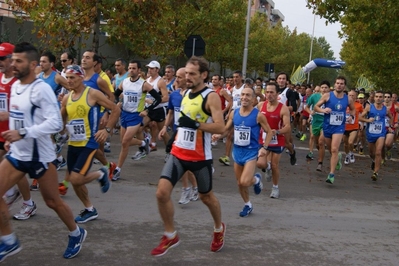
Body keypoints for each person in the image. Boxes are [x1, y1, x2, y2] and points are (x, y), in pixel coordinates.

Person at [0, 42, 86, 262]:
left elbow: (56, 123)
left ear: (32, 64)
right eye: (13, 60)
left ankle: (76, 232)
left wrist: (24, 133)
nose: (13, 64)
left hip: (40, 156)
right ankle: (8, 240)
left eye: (19, 61)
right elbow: (18, 116)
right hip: (18, 154)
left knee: (52, 202)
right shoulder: (17, 87)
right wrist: (12, 137)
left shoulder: (42, 89)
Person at [151, 56, 225, 256]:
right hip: (178, 153)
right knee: (161, 193)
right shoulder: (185, 94)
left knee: (206, 197)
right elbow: (183, 121)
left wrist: (197, 125)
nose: (188, 77)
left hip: (200, 157)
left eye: (192, 74)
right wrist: (174, 137)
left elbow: (220, 126)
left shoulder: (211, 96)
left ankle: (218, 228)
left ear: (203, 75)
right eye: (186, 73)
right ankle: (170, 234)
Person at [60, 64, 120, 223]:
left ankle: (101, 174)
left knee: (76, 179)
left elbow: (115, 109)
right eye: (67, 78)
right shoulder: (67, 98)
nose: (69, 81)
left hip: (89, 143)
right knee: (76, 183)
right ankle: (89, 209)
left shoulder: (92, 94)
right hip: (73, 144)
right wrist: (59, 132)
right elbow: (62, 119)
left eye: (72, 78)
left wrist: (106, 130)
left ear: (81, 77)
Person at [213, 86, 273, 216]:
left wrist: (265, 147)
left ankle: (256, 180)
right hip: (237, 152)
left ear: (253, 99)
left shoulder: (258, 115)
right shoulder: (234, 113)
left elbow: (269, 132)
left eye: (248, 95)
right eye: (243, 95)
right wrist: (218, 135)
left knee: (245, 181)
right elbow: (226, 129)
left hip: (251, 152)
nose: (244, 97)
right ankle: (248, 204)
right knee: (240, 183)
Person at [111, 60, 161, 181]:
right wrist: (118, 102)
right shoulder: (125, 82)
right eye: (129, 68)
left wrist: (147, 111)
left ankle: (118, 169)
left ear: (139, 70)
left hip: (136, 115)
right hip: (125, 114)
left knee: (125, 142)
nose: (131, 70)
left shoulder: (143, 84)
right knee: (124, 141)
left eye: (134, 68)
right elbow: (115, 94)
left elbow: (158, 98)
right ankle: (143, 143)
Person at [158, 67, 199, 204]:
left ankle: (194, 187)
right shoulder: (174, 94)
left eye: (180, 77)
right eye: (176, 76)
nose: (177, 79)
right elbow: (170, 112)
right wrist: (164, 127)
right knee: (181, 162)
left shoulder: (193, 95)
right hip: (177, 132)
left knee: (187, 164)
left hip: (191, 134)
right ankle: (187, 188)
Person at [314, 76, 355, 184]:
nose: (339, 85)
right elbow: (316, 107)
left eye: (341, 83)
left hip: (339, 127)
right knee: (330, 148)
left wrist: (351, 117)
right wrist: (323, 110)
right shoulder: (327, 96)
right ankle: (337, 158)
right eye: (337, 83)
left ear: (344, 86)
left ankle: (331, 174)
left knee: (334, 149)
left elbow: (353, 109)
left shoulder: (348, 98)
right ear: (334, 84)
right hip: (327, 126)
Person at [257, 82, 292, 199]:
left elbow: (287, 127)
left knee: (274, 165)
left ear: (277, 94)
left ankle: (275, 187)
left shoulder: (283, 108)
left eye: (272, 92)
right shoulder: (260, 105)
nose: (269, 94)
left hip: (277, 139)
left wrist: (276, 131)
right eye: (267, 92)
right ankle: (267, 168)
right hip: (263, 139)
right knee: (260, 163)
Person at [359, 91, 392, 181]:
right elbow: (360, 117)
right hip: (370, 133)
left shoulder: (386, 109)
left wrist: (389, 126)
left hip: (381, 133)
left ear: (383, 98)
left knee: (378, 152)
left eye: (380, 97)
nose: (378, 98)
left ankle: (375, 172)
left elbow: (391, 117)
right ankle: (374, 161)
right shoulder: (369, 107)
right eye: (377, 96)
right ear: (374, 98)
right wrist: (368, 120)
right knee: (371, 153)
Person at [219, 70, 244, 166]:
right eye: (234, 77)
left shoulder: (244, 88)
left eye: (237, 77)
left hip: (242, 115)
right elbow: (232, 102)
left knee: (239, 137)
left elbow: (253, 101)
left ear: (241, 77)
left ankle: (243, 156)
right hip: (234, 113)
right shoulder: (233, 89)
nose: (235, 79)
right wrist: (229, 112)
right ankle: (227, 157)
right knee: (229, 134)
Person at [305, 81, 330, 171]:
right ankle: (320, 152)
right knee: (317, 143)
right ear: (319, 88)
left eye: (326, 87)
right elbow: (306, 107)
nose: (324, 89)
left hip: (326, 122)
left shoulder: (331, 97)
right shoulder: (314, 96)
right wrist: (310, 112)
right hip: (315, 121)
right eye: (322, 87)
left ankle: (320, 163)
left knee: (321, 142)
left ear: (329, 88)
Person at [343, 90, 363, 165]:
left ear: (356, 96)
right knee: (345, 144)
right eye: (350, 95)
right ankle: (347, 155)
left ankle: (351, 153)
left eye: (353, 95)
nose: (351, 97)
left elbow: (361, 114)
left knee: (350, 142)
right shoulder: (344, 103)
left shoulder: (359, 105)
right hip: (344, 127)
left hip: (354, 127)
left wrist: (361, 123)